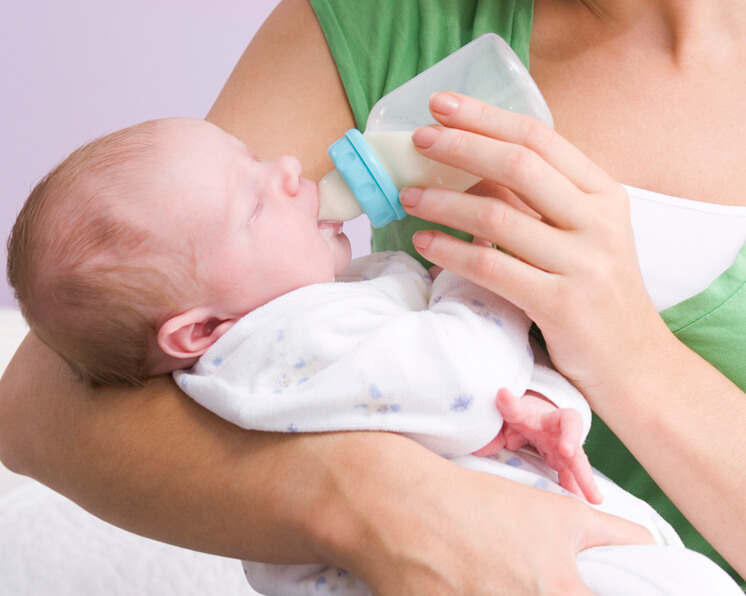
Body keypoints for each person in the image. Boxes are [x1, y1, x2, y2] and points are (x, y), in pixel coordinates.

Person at [1, 0, 745, 592]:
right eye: (256, 191)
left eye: (262, 163)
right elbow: (47, 392)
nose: (291, 170)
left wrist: (629, 352)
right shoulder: (391, 18)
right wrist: (373, 499)